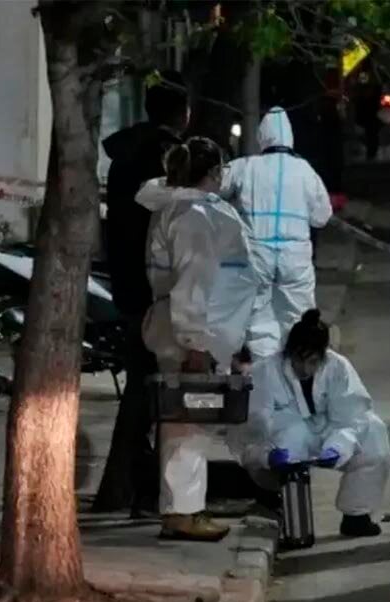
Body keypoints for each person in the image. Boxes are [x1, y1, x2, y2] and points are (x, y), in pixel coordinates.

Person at [137, 137, 258, 541]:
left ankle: (183, 509)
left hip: (191, 330)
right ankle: (183, 512)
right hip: (189, 334)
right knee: (187, 422)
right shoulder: (194, 216)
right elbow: (194, 283)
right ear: (212, 173)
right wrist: (195, 343)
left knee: (185, 420)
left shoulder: (182, 209)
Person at [93, 73, 189, 514]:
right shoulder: (163, 158)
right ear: (180, 115)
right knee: (148, 390)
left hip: (126, 279)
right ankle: (131, 490)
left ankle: (130, 489)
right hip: (153, 287)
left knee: (142, 386)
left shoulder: (124, 154)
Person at [228, 310, 390, 536]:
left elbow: (353, 417)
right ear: (289, 353)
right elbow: (249, 430)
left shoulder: (338, 367)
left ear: (323, 355)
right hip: (281, 442)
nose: (305, 369)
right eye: (299, 360)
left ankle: (357, 515)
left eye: (313, 361)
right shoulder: (264, 372)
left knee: (374, 431)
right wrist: (266, 456)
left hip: (326, 433)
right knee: (285, 443)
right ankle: (274, 498)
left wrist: (338, 447)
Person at [221, 106, 333, 361]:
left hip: (256, 253)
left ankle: (265, 376)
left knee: (259, 319)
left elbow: (213, 187)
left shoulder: (244, 167)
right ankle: (299, 377)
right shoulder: (305, 171)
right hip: (295, 256)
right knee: (299, 317)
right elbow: (322, 217)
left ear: (263, 136)